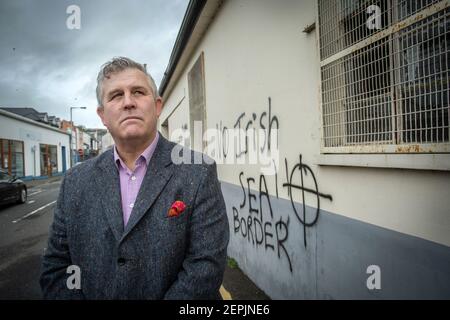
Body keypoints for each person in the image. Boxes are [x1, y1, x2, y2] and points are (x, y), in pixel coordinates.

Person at [40, 57, 230, 299]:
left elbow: (206, 266)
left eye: (138, 92)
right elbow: (56, 267)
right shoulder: (75, 181)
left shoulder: (199, 171)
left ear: (158, 105)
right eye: (116, 95)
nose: (128, 102)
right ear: (102, 116)